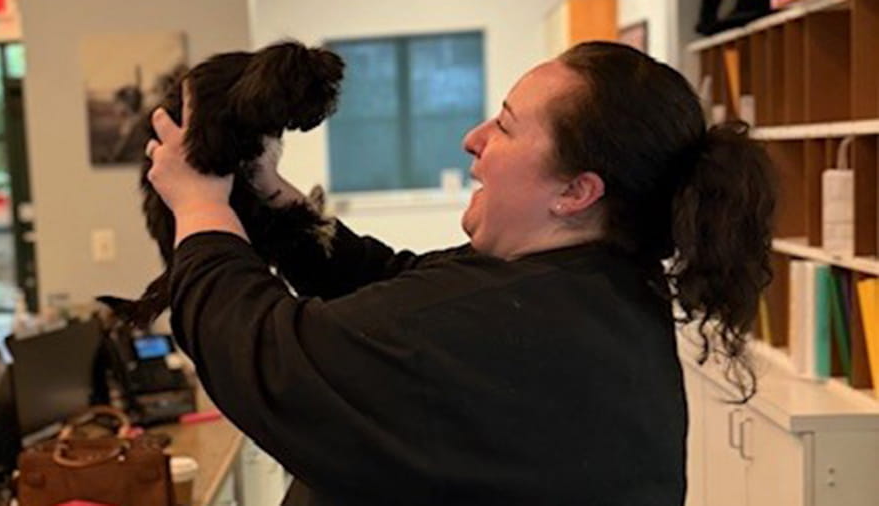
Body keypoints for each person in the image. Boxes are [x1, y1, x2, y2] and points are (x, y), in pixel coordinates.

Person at [143, 42, 775, 505]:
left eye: (504, 125)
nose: (473, 139)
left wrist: (197, 204)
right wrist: (271, 197)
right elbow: (388, 280)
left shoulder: (510, 324)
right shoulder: (582, 284)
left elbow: (261, 354)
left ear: (576, 191)